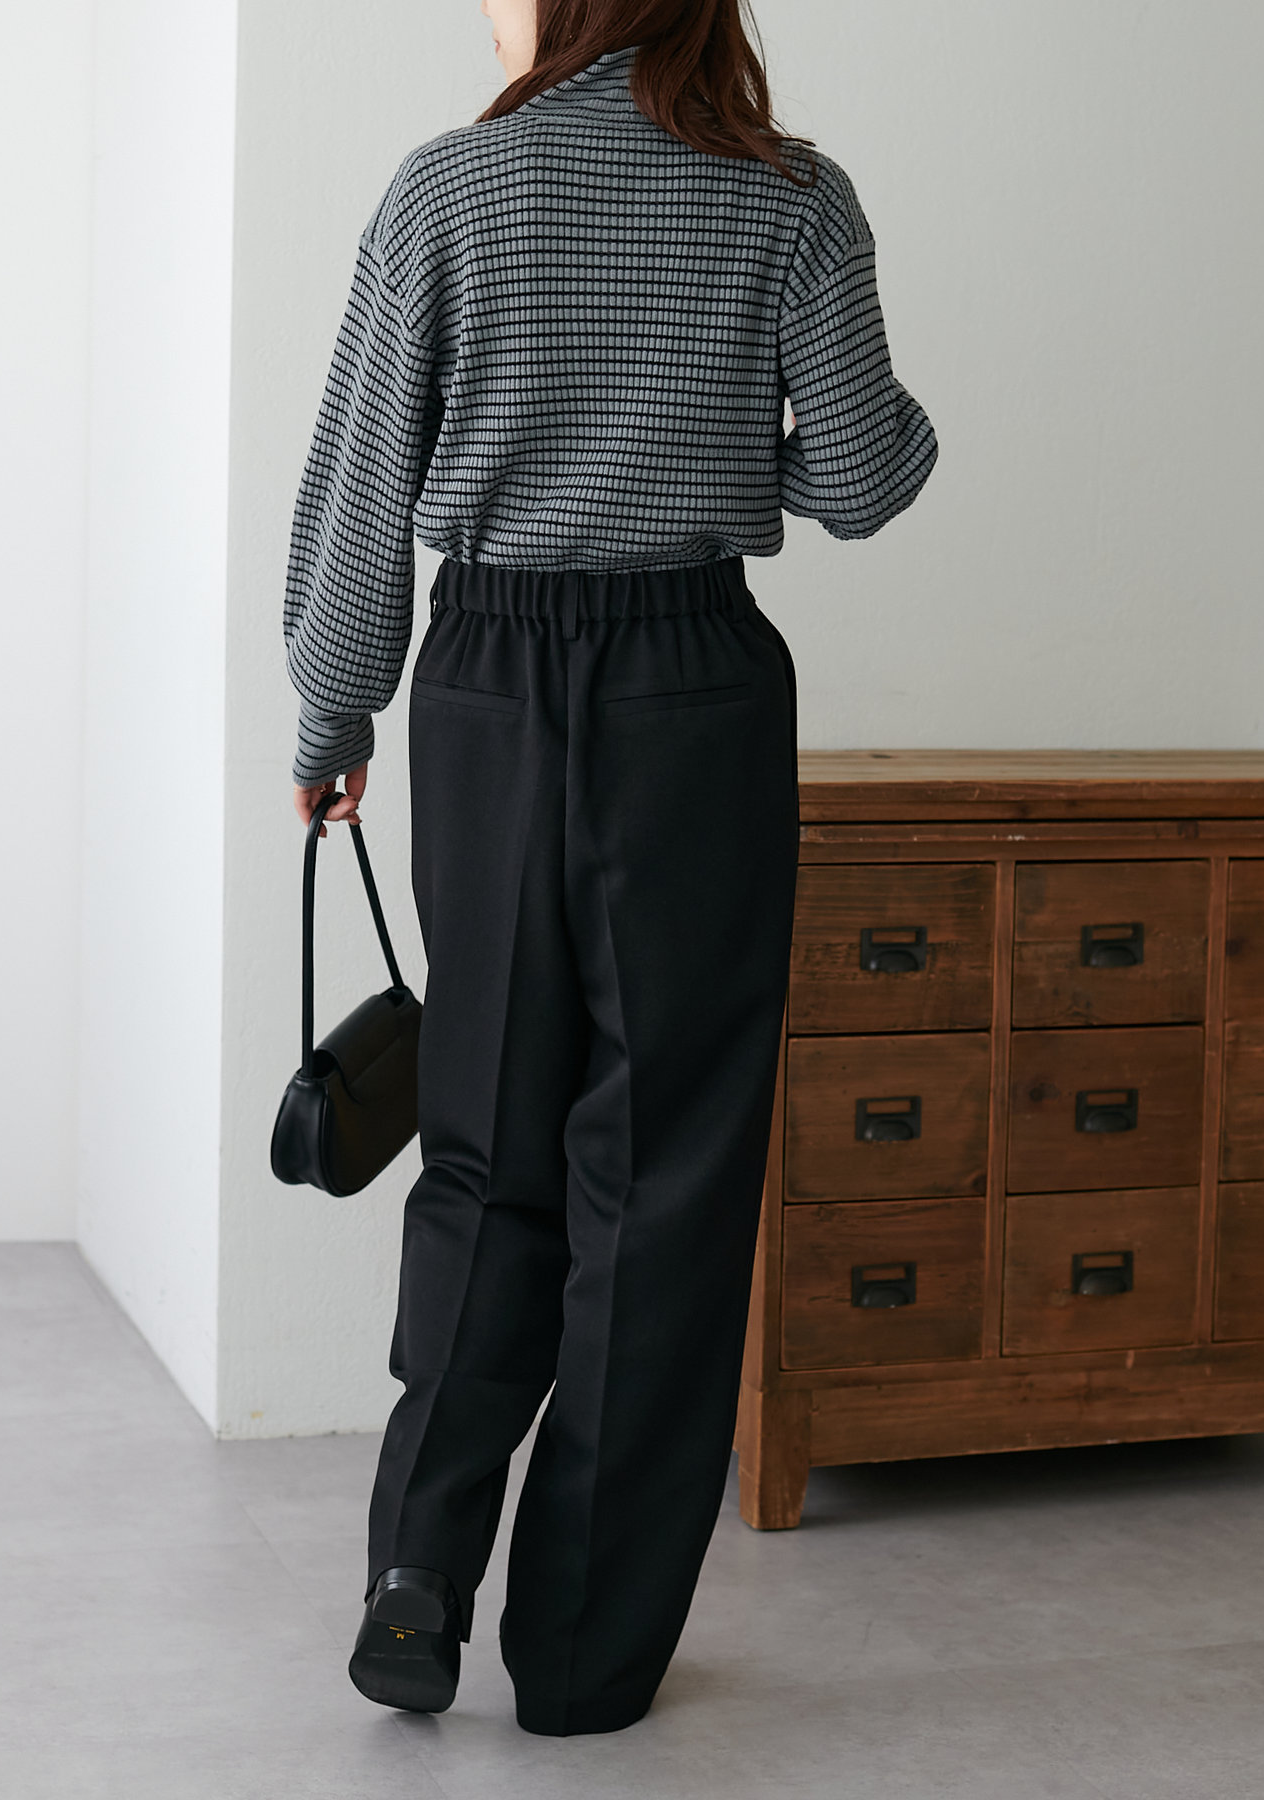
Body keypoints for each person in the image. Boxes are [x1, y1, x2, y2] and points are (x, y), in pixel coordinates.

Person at [282, 0, 936, 1738]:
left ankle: (417, 1575)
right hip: (691, 692)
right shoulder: (793, 198)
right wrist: (722, 446)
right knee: (664, 1171)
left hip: (487, 684)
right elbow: (867, 479)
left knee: (484, 1137)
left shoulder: (448, 189)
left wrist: (332, 711)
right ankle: (582, 1654)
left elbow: (361, 487)